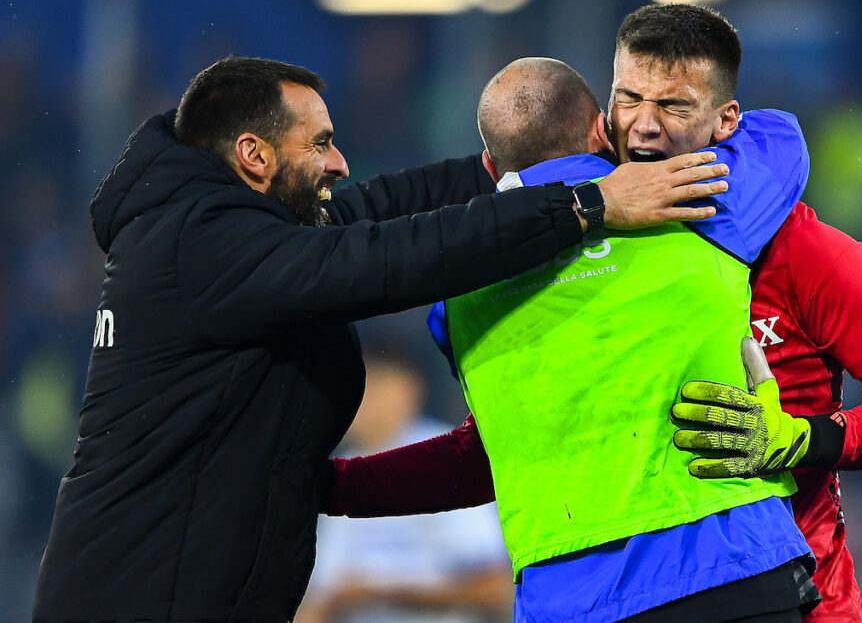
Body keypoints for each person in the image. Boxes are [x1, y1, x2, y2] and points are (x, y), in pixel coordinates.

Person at [323, 4, 862, 623]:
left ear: (726, 122)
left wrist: (803, 438)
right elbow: (496, 450)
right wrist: (333, 488)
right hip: (659, 583)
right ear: (603, 118)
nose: (644, 126)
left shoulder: (796, 247)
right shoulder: (552, 252)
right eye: (629, 99)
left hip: (791, 588)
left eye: (674, 105)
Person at [31, 56, 732, 623]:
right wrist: (587, 204)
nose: (339, 164)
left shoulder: (227, 228)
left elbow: (380, 209)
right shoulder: (203, 246)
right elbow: (391, 257)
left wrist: (523, 164)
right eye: (321, 143)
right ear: (253, 154)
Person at [332, 55, 819, 623]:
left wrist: (333, 487)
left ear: (490, 165)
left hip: (568, 598)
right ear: (601, 129)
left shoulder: (456, 298)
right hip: (731, 571)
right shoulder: (701, 206)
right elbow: (779, 135)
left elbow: (489, 450)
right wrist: (643, 139)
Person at [296, 351, 511, 623]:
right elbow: (320, 599)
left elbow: (494, 587)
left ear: (407, 389)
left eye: (372, 387)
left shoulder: (445, 457)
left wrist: (382, 591)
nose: (356, 402)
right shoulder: (338, 471)